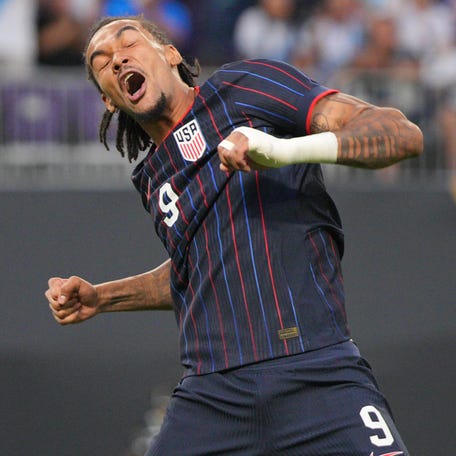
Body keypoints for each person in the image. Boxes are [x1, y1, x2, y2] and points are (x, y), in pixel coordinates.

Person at [45, 15, 423, 455]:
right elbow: (198, 270)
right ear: (109, 101)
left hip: (318, 372)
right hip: (212, 398)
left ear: (170, 54)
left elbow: (400, 135)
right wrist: (104, 297)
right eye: (101, 62)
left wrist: (282, 152)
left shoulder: (246, 87)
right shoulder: (153, 180)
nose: (117, 59)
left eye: (129, 42)